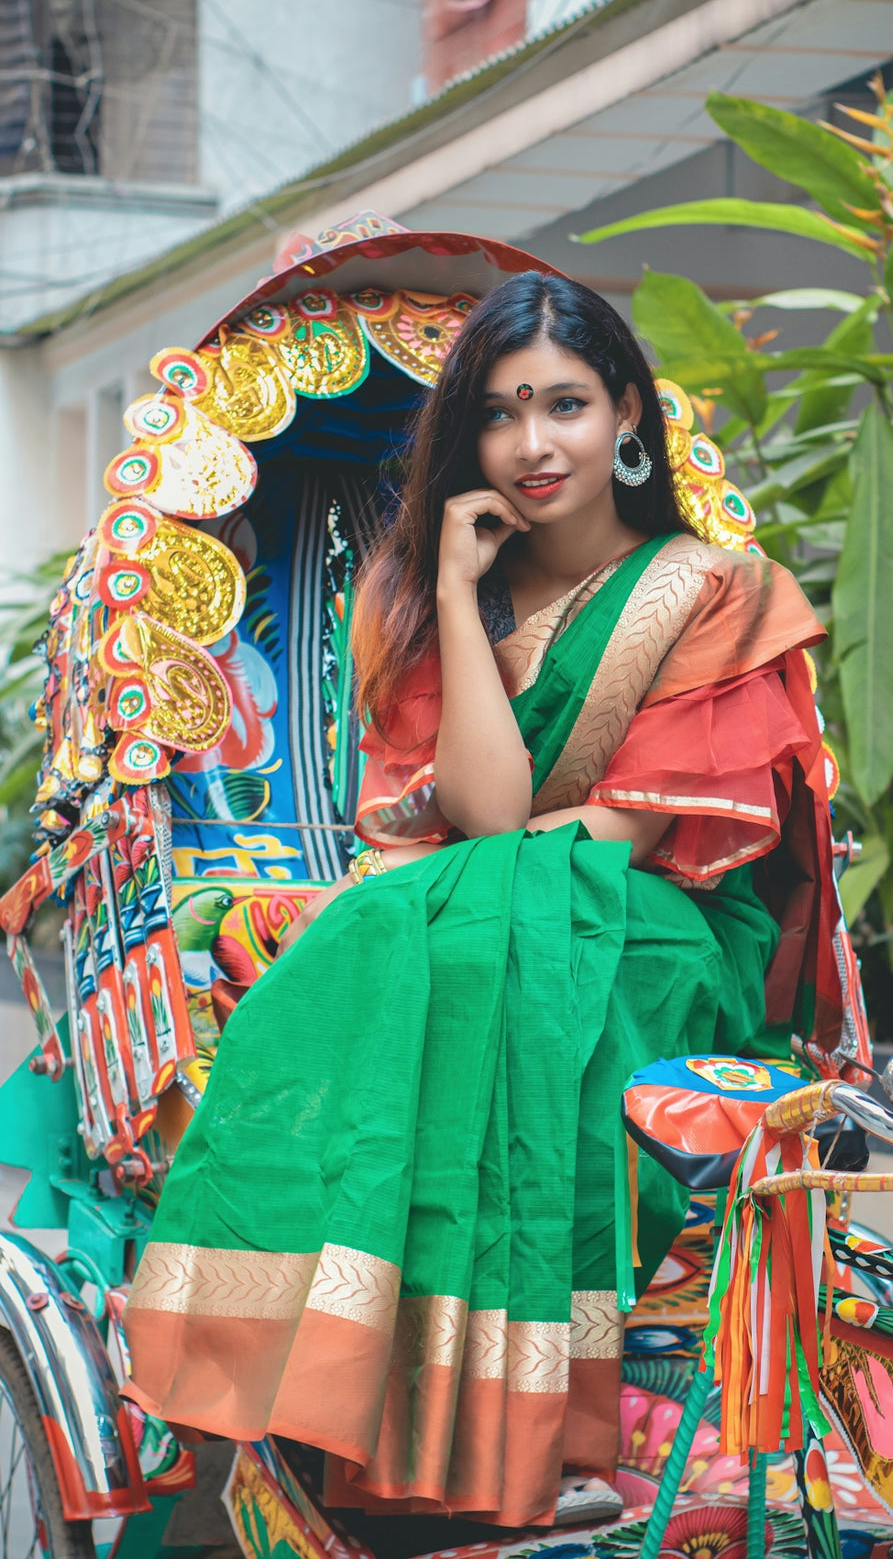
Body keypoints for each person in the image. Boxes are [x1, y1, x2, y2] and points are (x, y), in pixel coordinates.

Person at [122, 272, 840, 1534]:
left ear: (623, 410)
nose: (533, 443)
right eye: (503, 415)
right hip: (500, 908)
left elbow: (606, 839)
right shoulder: (413, 599)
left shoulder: (711, 592)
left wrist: (436, 883)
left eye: (564, 404)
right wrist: (456, 596)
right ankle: (324, 1362)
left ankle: (534, 1422)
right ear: (471, 440)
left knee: (416, 936)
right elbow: (497, 814)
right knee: (394, 943)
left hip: (656, 928)